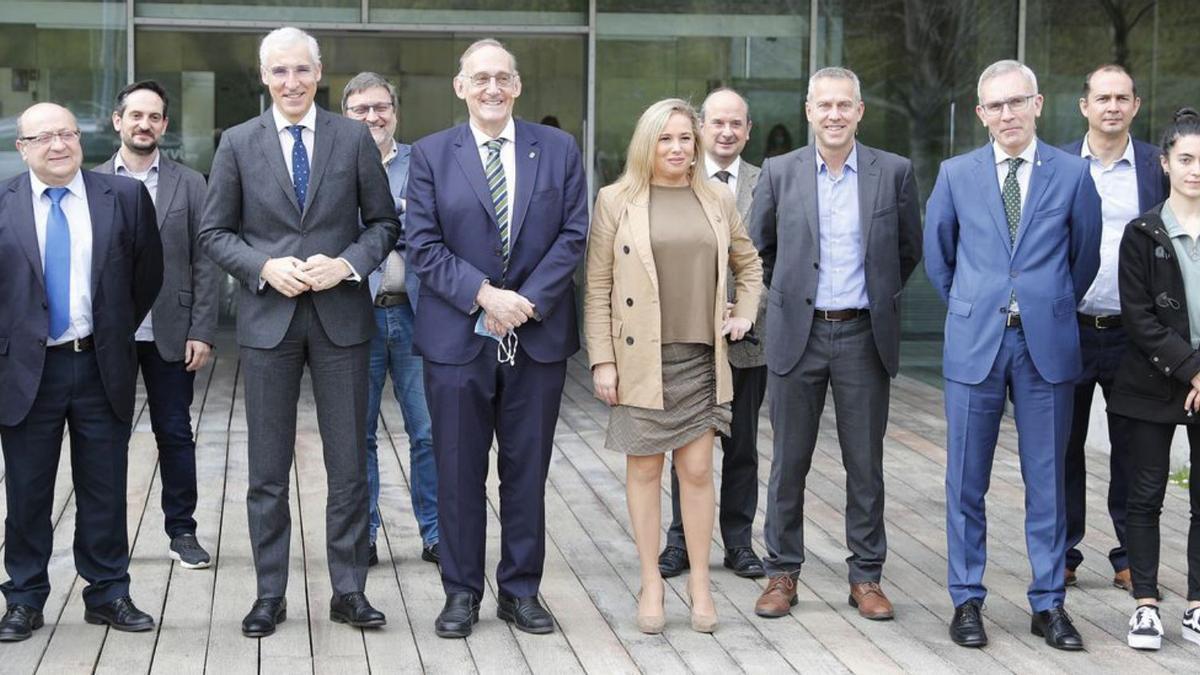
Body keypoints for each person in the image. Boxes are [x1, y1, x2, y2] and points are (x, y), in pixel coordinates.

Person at [198, 27, 399, 638]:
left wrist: (348, 264)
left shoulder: (351, 137)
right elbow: (213, 233)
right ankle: (268, 595)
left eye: (301, 71)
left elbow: (384, 223)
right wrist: (263, 266)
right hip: (268, 323)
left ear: (319, 74)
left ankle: (348, 590)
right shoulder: (236, 142)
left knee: (348, 466)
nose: (291, 82)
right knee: (266, 468)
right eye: (279, 71)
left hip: (341, 318)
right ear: (265, 76)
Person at [405, 38, 588, 639]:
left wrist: (525, 303)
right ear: (460, 87)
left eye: (502, 78)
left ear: (517, 87)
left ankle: (521, 591)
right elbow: (423, 245)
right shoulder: (432, 155)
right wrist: (486, 295)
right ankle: (461, 593)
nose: (491, 88)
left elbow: (573, 235)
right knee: (457, 470)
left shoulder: (558, 149)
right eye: (479, 78)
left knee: (526, 469)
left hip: (536, 338)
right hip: (458, 338)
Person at [924, 60, 1102, 650]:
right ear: (981, 114)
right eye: (995, 106)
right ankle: (967, 600)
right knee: (964, 481)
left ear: (1038, 104)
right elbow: (939, 259)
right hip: (976, 343)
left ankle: (1049, 604)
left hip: (1045, 346)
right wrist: (979, 305)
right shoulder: (955, 174)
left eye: (1016, 102)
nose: (1006, 114)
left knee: (1048, 481)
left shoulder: (1073, 175)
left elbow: (1086, 257)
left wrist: (1043, 303)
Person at [750, 67, 922, 622]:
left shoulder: (892, 172)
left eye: (844, 105)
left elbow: (906, 251)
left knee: (865, 464)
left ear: (859, 111)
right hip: (796, 335)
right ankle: (782, 571)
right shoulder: (778, 172)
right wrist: (792, 294)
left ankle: (866, 577)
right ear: (808, 111)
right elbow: (761, 249)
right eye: (824, 105)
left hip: (862, 334)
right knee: (788, 462)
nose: (834, 115)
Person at [584, 98, 763, 634]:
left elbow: (748, 264)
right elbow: (596, 287)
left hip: (702, 358)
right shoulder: (616, 199)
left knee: (699, 472)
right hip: (640, 358)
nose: (678, 148)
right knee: (643, 469)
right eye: (666, 138)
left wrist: (745, 314)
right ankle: (651, 582)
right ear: (648, 142)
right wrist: (602, 359)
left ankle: (701, 587)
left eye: (686, 137)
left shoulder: (716, 198)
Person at [0, 102, 163, 641]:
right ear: (22, 148)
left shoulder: (124, 198)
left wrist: (112, 334)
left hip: (99, 363)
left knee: (105, 487)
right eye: (43, 137)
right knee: (26, 492)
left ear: (81, 139)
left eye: (67, 133)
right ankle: (24, 598)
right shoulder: (3, 202)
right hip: (26, 371)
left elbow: (146, 276)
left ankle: (108, 592)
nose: (58, 145)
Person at [94, 80, 221, 570]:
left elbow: (206, 262)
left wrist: (204, 329)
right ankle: (108, 540)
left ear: (164, 125)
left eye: (154, 117)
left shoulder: (190, 184)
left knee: (174, 431)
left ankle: (182, 532)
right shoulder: (94, 180)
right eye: (136, 115)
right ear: (118, 121)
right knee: (108, 437)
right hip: (112, 335)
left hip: (173, 330)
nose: (144, 124)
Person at [1061, 64, 1170, 593]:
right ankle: (1062, 551)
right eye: (1102, 97)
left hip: (1136, 333)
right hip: (1069, 329)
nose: (1112, 106)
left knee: (1134, 449)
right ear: (1084, 105)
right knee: (1063, 447)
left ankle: (1131, 555)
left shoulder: (1157, 167)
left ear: (1135, 105)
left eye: (1121, 97)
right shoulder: (1058, 166)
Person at [658, 87, 766, 581]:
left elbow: (771, 260)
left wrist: (745, 308)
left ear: (747, 131)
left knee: (741, 446)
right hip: (688, 343)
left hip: (747, 342)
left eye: (736, 124)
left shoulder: (770, 184)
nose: (726, 132)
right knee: (686, 443)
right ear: (701, 127)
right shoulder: (676, 178)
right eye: (717, 122)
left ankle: (739, 543)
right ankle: (680, 541)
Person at [1109, 107, 1200, 651]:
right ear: (1165, 164)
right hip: (1151, 381)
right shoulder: (1141, 233)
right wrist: (1193, 369)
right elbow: (1138, 316)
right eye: (1186, 159)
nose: (1196, 170)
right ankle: (1145, 604)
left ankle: (1197, 605)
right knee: (1144, 496)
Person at [341, 72, 439, 567]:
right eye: (360, 110)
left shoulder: (423, 162)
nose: (372, 117)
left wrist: (384, 223)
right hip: (355, 319)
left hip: (416, 314)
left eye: (380, 107)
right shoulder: (333, 164)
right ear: (346, 116)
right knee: (359, 436)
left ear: (395, 112)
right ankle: (365, 536)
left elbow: (434, 224)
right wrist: (395, 220)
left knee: (427, 431)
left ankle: (437, 535)